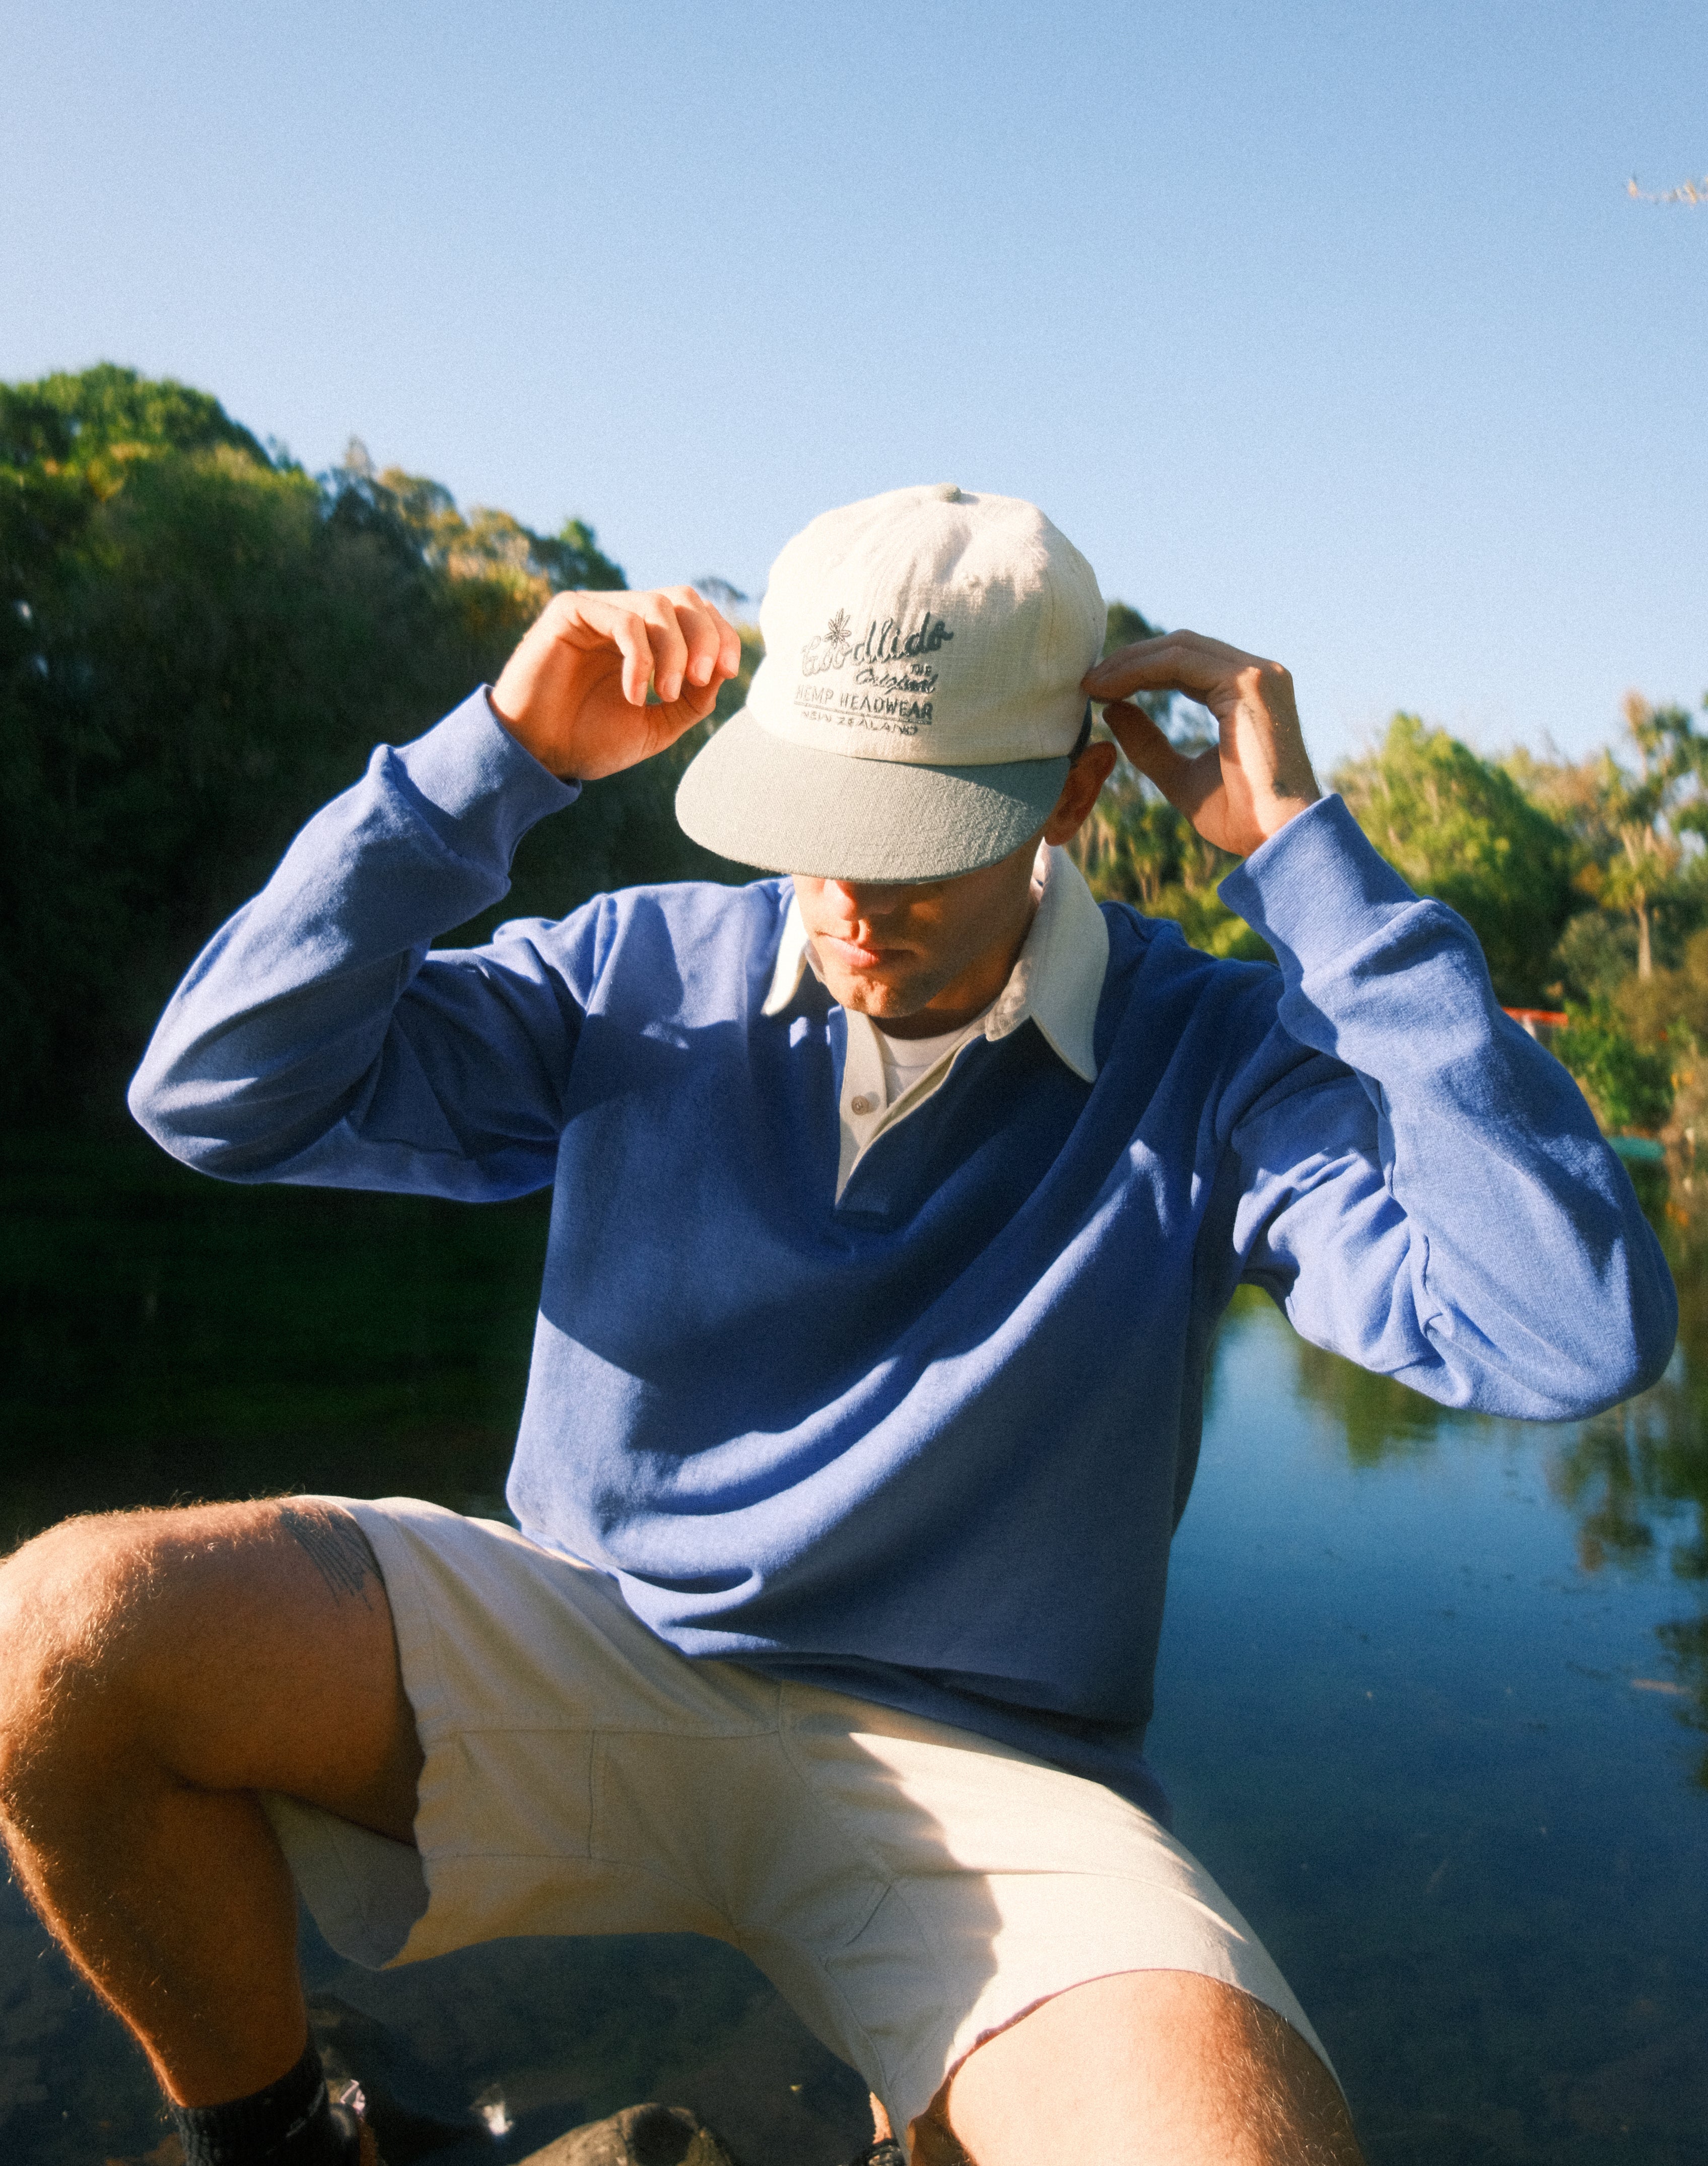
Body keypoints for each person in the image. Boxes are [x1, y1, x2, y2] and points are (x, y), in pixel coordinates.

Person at [0, 484, 1676, 2166]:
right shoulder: (632, 974)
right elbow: (214, 1091)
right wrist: (489, 763)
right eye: (818, 816)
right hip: (590, 1639)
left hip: (987, 1774)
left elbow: (1571, 1328)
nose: (854, 893)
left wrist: (1318, 875)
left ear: (1076, 791)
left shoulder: (1215, 1062)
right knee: (60, 1638)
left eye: (925, 835)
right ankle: (290, 2138)